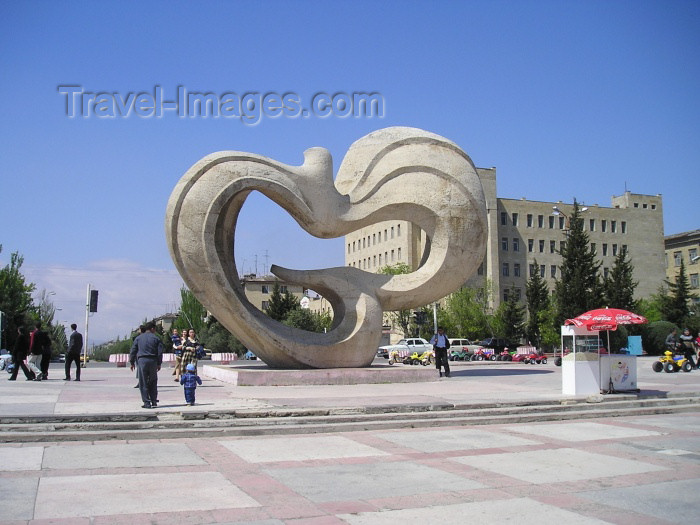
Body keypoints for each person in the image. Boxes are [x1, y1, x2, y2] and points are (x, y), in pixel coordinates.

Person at [129, 321, 164, 409]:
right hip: (153, 361)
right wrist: (159, 363)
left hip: (142, 361)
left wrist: (132, 362)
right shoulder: (156, 338)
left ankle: (146, 402)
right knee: (153, 381)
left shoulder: (138, 338)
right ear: (152, 329)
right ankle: (154, 401)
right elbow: (160, 352)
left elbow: (133, 350)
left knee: (143, 382)